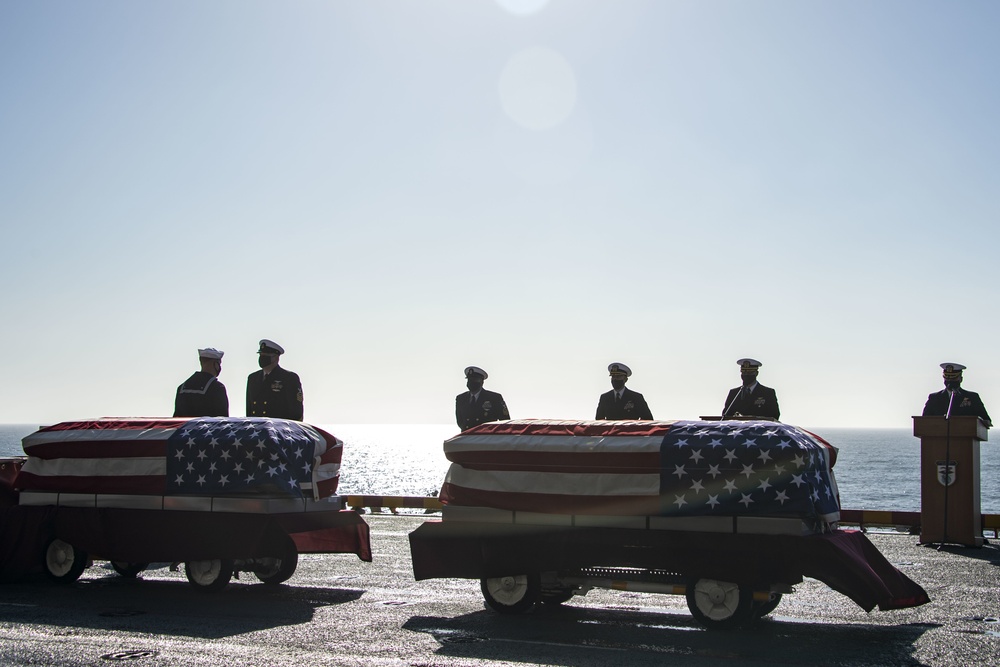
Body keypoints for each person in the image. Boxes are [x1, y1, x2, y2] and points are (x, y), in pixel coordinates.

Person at [246, 339, 303, 420]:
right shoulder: (252, 378)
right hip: (257, 428)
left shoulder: (289, 378)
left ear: (276, 357)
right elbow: (249, 409)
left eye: (266, 355)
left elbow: (296, 411)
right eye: (261, 355)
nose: (262, 358)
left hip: (279, 429)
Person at [922, 362, 992, 427]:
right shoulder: (934, 398)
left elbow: (986, 420)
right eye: (947, 378)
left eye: (953, 378)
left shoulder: (972, 397)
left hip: (965, 437)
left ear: (961, 379)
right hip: (937, 437)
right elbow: (923, 421)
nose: (950, 381)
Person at [173, 347, 229, 417]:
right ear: (215, 363)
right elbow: (222, 420)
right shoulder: (217, 388)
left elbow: (176, 419)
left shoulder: (182, 388)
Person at [455, 366, 510, 430]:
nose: (471, 382)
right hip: (467, 437)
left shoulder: (494, 398)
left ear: (482, 382)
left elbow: (505, 421)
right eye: (469, 380)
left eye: (475, 380)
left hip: (486, 437)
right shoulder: (461, 398)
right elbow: (460, 421)